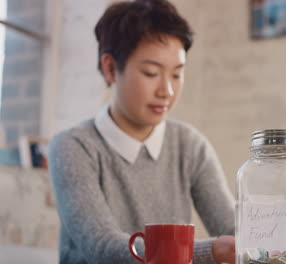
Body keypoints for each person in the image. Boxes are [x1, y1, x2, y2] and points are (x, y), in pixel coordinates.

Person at [48, 0, 235, 263]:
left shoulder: (190, 146)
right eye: (151, 73)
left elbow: (232, 229)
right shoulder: (73, 147)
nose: (166, 91)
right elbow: (103, 248)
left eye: (177, 74)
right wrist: (211, 251)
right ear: (110, 68)